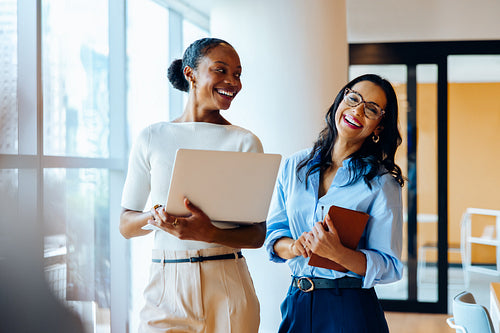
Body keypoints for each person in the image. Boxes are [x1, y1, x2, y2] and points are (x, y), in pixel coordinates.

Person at [120, 38, 263, 333]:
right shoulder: (152, 137)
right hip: (165, 282)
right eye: (220, 70)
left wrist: (208, 232)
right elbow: (126, 224)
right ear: (190, 74)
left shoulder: (245, 142)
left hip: (226, 279)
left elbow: (258, 234)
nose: (232, 82)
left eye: (237, 74)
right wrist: (155, 217)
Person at [265, 74, 405, 333]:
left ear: (379, 127)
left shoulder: (382, 183)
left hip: (349, 308)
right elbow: (274, 235)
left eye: (371, 109)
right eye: (353, 98)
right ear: (341, 100)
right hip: (297, 301)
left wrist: (338, 254)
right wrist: (295, 246)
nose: (357, 110)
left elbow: (391, 266)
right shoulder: (294, 166)